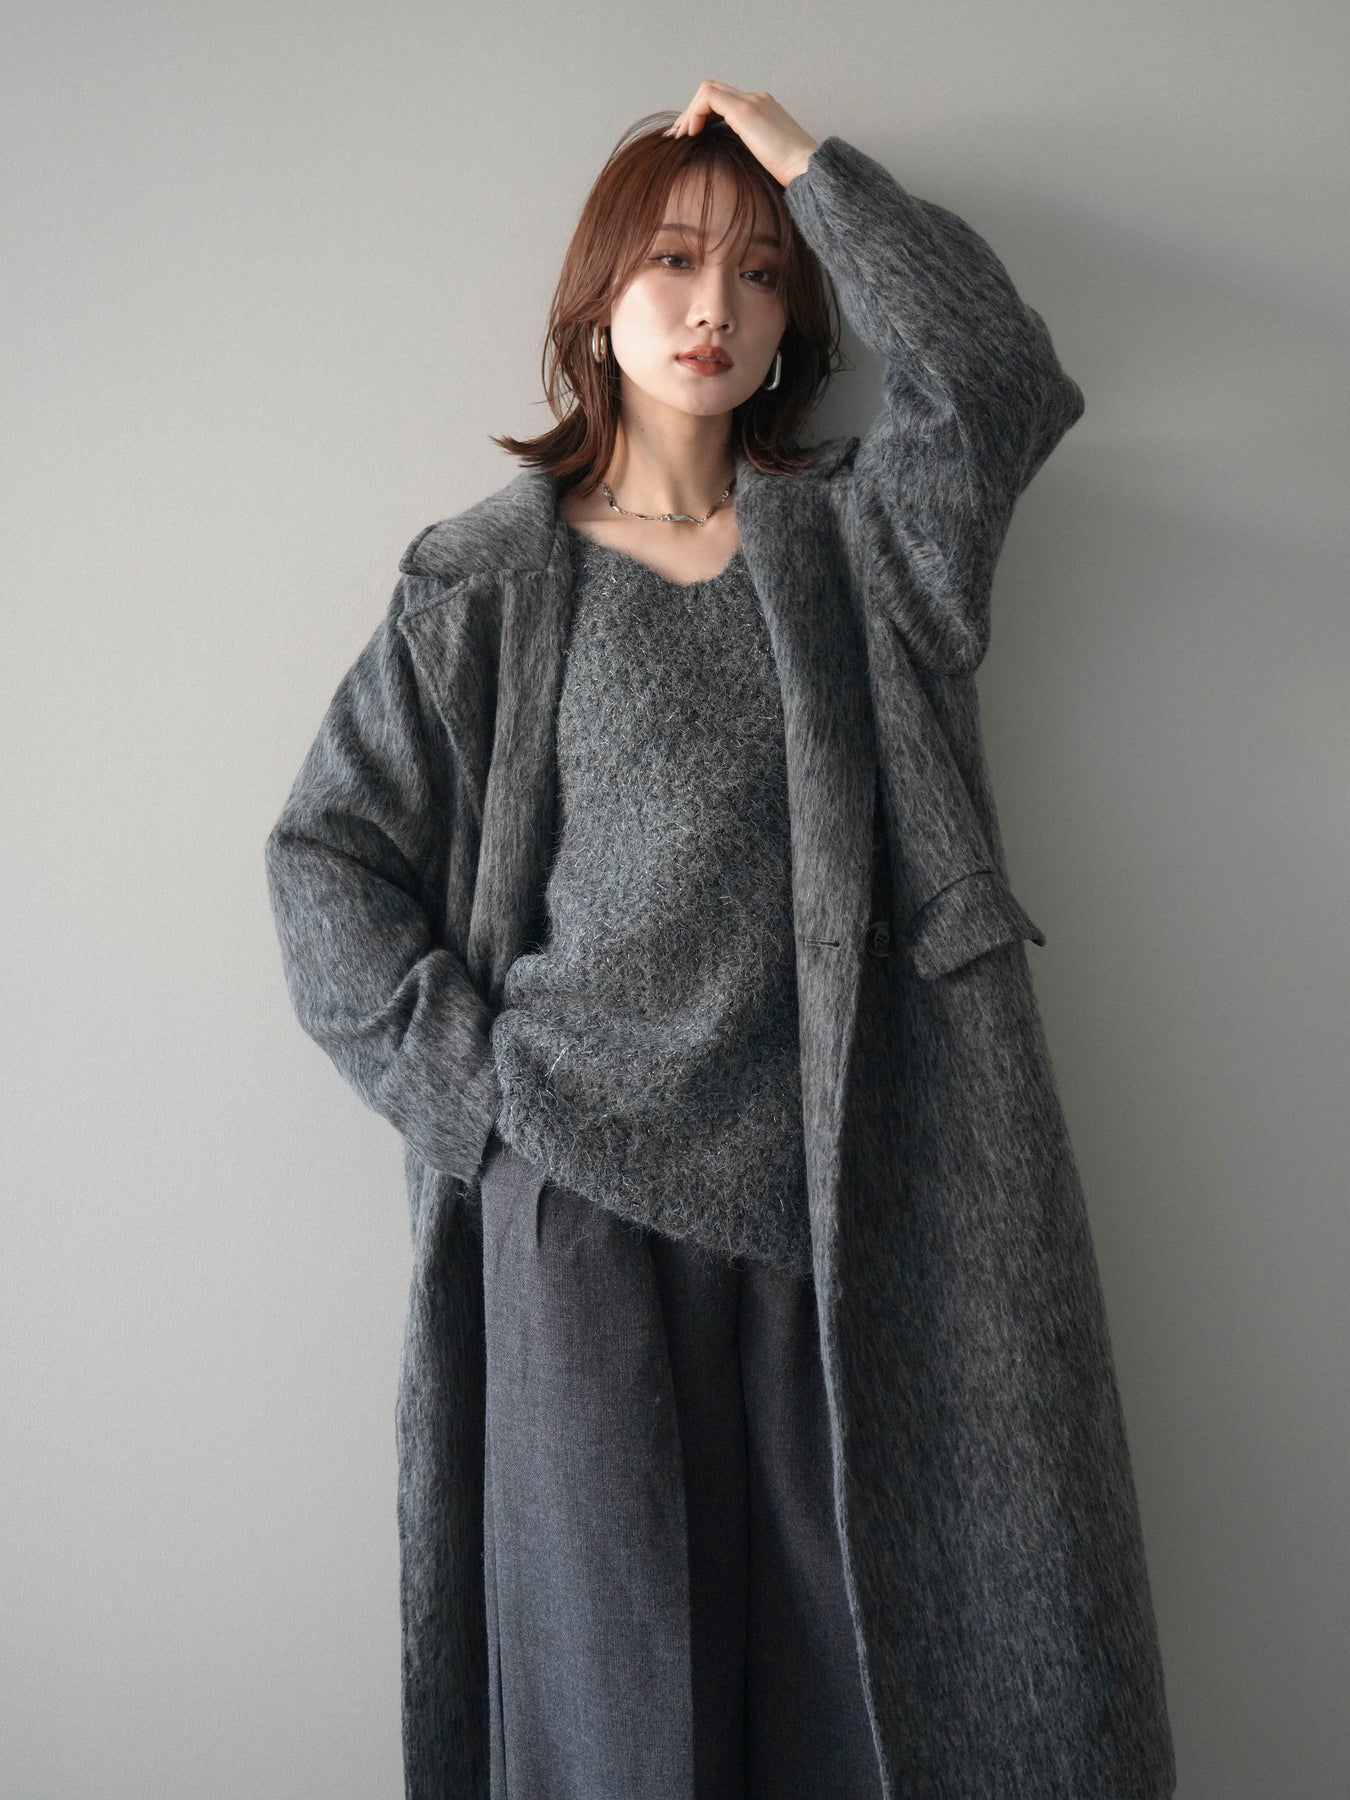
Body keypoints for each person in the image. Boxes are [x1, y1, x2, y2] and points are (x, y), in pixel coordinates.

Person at [266, 82, 1177, 1800]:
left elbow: (997, 376)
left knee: (883, 1703)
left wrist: (798, 159)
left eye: (759, 273)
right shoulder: (482, 589)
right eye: (672, 261)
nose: (713, 306)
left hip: (862, 1204)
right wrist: (478, 1092)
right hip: (579, 1207)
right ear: (594, 302)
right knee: (623, 1718)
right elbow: (326, 856)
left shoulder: (870, 549)